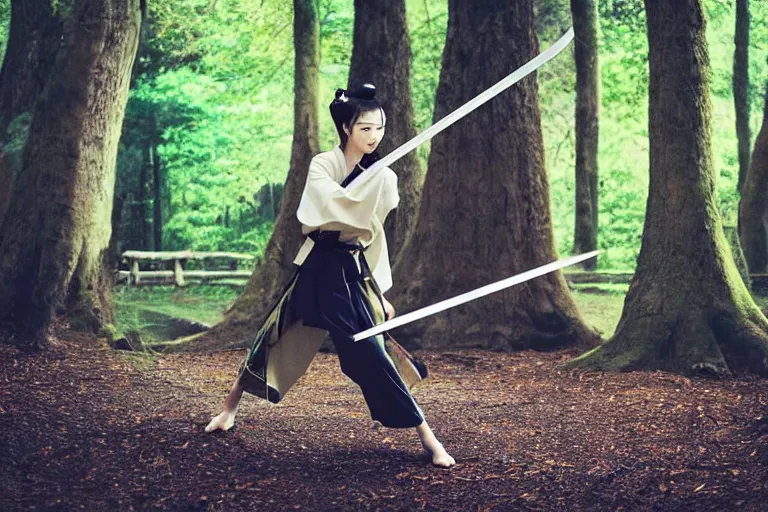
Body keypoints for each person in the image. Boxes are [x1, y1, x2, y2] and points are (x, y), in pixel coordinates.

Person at [205, 84, 455, 468]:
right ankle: (228, 409)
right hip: (318, 264)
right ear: (346, 130)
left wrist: (378, 292)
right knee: (275, 333)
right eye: (365, 129)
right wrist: (366, 184)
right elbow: (331, 206)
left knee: (371, 352)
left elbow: (371, 235)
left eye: (379, 128)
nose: (374, 137)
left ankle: (429, 438)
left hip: (349, 272)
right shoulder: (323, 165)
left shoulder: (381, 176)